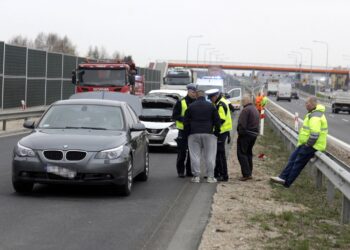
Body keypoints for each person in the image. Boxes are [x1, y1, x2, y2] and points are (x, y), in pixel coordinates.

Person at [270, 96, 328, 187]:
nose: (305, 105)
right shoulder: (313, 113)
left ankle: (286, 183)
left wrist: (308, 145)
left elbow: (315, 134)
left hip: (313, 146)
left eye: (307, 103)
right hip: (306, 144)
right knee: (292, 159)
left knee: (297, 163)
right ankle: (282, 177)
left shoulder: (315, 116)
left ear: (313, 104)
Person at [184, 89, 221, 183]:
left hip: (194, 134)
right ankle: (210, 177)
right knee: (210, 156)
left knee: (195, 156)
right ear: (204, 96)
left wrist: (188, 133)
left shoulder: (191, 106)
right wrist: (217, 132)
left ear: (196, 96)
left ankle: (196, 176)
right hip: (208, 134)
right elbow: (217, 120)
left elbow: (186, 122)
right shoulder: (211, 106)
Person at [206, 89, 233, 182]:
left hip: (222, 131)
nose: (210, 100)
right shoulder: (219, 102)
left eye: (211, 98)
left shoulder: (221, 104)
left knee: (220, 154)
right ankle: (216, 173)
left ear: (215, 96)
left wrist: (214, 129)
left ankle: (224, 175)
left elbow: (221, 120)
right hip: (222, 132)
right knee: (217, 153)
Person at [172, 83, 197, 178]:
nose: (194, 94)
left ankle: (189, 171)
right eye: (192, 92)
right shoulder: (181, 102)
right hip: (183, 131)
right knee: (182, 152)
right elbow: (174, 116)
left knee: (192, 153)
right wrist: (184, 119)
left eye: (195, 92)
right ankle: (180, 171)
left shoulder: (197, 102)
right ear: (188, 91)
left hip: (193, 131)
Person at [237, 94, 260, 181]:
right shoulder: (254, 109)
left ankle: (246, 174)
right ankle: (249, 172)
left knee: (242, 154)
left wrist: (240, 133)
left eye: (243, 100)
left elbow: (242, 124)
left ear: (246, 101)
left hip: (246, 135)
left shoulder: (246, 110)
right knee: (248, 154)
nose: (242, 101)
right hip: (253, 135)